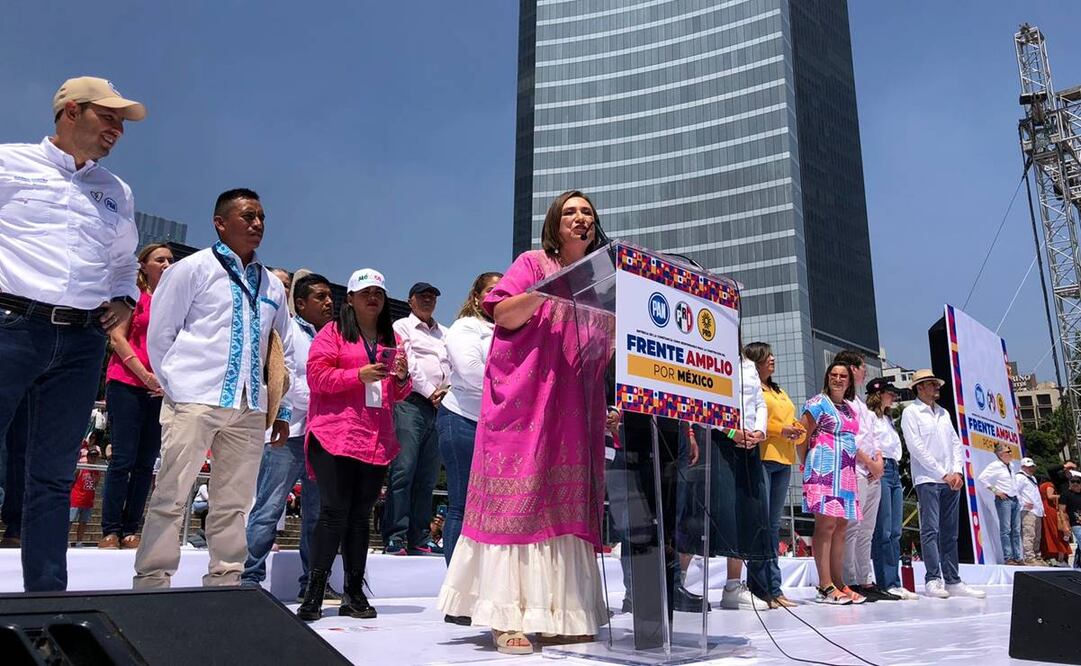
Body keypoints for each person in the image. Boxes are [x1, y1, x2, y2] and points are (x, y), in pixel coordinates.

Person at [437, 190, 611, 655]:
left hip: (572, 413)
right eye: (570, 212)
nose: (580, 218)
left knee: (560, 508)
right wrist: (548, 291)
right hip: (524, 405)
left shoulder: (599, 282)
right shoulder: (533, 263)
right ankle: (505, 615)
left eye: (587, 213)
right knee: (519, 501)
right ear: (555, 223)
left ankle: (557, 614)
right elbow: (502, 313)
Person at [0, 76, 145, 591]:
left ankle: (46, 598)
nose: (117, 130)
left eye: (121, 123)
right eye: (108, 117)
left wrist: (125, 298)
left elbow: (123, 263)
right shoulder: (8, 163)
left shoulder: (116, 191)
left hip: (82, 342)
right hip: (11, 327)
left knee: (54, 474)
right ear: (70, 112)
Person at [134, 188, 296, 589]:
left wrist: (281, 408)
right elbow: (161, 335)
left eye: (261, 217)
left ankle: (225, 579)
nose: (257, 224)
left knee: (235, 501)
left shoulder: (272, 286)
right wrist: (178, 388)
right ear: (220, 223)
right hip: (195, 398)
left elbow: (283, 350)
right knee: (172, 492)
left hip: (250, 405)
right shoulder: (192, 269)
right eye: (248, 216)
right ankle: (152, 580)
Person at [296, 268, 411, 621]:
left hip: (375, 437)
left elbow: (396, 393)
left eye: (378, 292)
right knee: (333, 513)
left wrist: (402, 378)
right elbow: (316, 377)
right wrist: (357, 375)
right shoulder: (332, 332)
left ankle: (354, 593)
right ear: (350, 299)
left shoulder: (392, 338)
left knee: (361, 518)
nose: (373, 298)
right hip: (335, 433)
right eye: (365, 293)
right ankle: (314, 592)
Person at [242, 273, 338, 603]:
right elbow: (289, 381)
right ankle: (250, 578)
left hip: (323, 437)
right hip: (289, 431)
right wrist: (326, 398)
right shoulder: (287, 331)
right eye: (320, 297)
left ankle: (313, 583)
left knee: (318, 515)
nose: (329, 302)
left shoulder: (336, 337)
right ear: (300, 303)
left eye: (330, 296)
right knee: (268, 508)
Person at [435, 271, 501, 624]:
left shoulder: (512, 329)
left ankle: (483, 591)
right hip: (462, 420)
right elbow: (472, 372)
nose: (499, 296)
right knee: (462, 505)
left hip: (498, 427)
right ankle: (457, 599)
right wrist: (516, 386)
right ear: (476, 297)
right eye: (491, 291)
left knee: (492, 510)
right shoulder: (465, 327)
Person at [98, 243, 173, 550]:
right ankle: (110, 529)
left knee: (146, 462)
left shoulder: (175, 302)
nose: (167, 264)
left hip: (159, 390)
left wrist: (165, 381)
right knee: (123, 459)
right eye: (160, 260)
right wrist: (145, 376)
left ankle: (131, 528)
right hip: (126, 383)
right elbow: (116, 338)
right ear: (143, 266)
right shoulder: (134, 297)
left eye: (170, 260)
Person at [900, 369, 986, 598]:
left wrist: (956, 471)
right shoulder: (910, 412)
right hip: (928, 479)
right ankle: (933, 578)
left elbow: (955, 443)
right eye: (932, 384)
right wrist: (942, 473)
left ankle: (952, 579)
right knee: (931, 530)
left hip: (951, 480)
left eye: (936, 384)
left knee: (950, 532)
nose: (937, 387)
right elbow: (916, 448)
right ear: (919, 387)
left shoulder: (943, 413)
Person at [384, 282, 449, 555]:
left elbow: (452, 364)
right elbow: (406, 362)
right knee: (403, 470)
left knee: (427, 476)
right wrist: (431, 391)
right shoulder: (402, 326)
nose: (428, 300)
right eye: (422, 296)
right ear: (410, 300)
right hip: (410, 402)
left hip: (441, 406)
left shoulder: (445, 332)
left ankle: (420, 536)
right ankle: (396, 535)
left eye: (432, 296)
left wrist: (446, 391)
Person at [744, 342, 805, 609]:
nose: (772, 359)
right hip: (763, 456)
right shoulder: (752, 389)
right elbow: (753, 418)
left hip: (784, 459)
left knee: (773, 525)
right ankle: (763, 587)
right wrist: (782, 430)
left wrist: (796, 430)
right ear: (755, 361)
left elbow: (788, 419)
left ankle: (773, 587)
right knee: (762, 524)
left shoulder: (778, 390)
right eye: (766, 356)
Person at [798, 361, 864, 605]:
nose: (838, 379)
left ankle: (839, 581)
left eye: (843, 376)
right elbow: (802, 435)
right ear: (827, 378)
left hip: (845, 473)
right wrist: (806, 464)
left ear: (849, 381)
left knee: (841, 527)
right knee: (825, 526)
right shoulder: (817, 403)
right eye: (833, 375)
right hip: (823, 470)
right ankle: (825, 585)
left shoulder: (849, 408)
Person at [835, 351, 897, 602]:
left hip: (873, 473)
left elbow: (873, 437)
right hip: (855, 470)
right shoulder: (843, 403)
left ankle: (865, 579)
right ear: (852, 368)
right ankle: (849, 579)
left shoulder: (861, 404)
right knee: (852, 527)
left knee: (867, 530)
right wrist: (869, 463)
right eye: (862, 367)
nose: (865, 372)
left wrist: (878, 462)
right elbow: (848, 438)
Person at [716, 352, 771, 611]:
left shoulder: (748, 365)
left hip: (749, 443)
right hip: (720, 440)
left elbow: (759, 403)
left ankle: (732, 585)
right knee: (709, 512)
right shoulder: (711, 353)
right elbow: (704, 402)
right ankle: (680, 581)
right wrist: (730, 431)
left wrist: (759, 431)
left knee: (742, 513)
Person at [867, 378, 917, 600]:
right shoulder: (869, 417)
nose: (894, 396)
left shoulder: (888, 419)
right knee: (884, 530)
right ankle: (886, 581)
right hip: (882, 468)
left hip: (894, 469)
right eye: (890, 393)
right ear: (879, 394)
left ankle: (893, 581)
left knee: (895, 530)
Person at [978, 442, 1023, 564]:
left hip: (1014, 499)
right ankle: (1008, 557)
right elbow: (982, 478)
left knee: (1016, 530)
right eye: (1008, 451)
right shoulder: (995, 466)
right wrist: (995, 491)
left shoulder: (1011, 465)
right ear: (1001, 454)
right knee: (1006, 530)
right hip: (1004, 501)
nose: (1011, 453)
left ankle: (1018, 557)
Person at [69, 446, 102, 546]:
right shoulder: (81, 468)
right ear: (88, 457)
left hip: (88, 500)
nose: (93, 458)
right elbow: (73, 481)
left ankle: (79, 541)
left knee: (83, 522)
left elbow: (95, 484)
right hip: (76, 499)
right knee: (70, 521)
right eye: (91, 456)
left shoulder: (97, 471)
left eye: (95, 456)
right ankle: (64, 539)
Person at [1015, 457, 1044, 565]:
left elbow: (1035, 494)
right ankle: (1029, 557)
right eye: (1029, 467)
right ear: (1023, 467)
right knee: (1029, 534)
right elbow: (1015, 491)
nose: (1031, 469)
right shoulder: (1019, 477)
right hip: (1027, 511)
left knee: (1037, 535)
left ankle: (1037, 556)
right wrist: (1023, 503)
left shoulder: (1033, 478)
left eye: (1032, 467)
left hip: (1037, 511)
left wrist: (1041, 509)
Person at [1039, 479, 1072, 565]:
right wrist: (1063, 496)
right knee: (1057, 533)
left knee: (1048, 533)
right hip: (1051, 510)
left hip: (1044, 510)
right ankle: (1059, 557)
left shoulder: (1041, 486)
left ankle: (1050, 556)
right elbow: (1050, 496)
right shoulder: (1049, 484)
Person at [1062, 471, 1081, 568]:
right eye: (1073, 481)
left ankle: (1077, 565)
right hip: (1075, 524)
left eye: (1078, 481)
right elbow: (1061, 511)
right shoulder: (1066, 494)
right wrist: (1065, 525)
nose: (1075, 483)